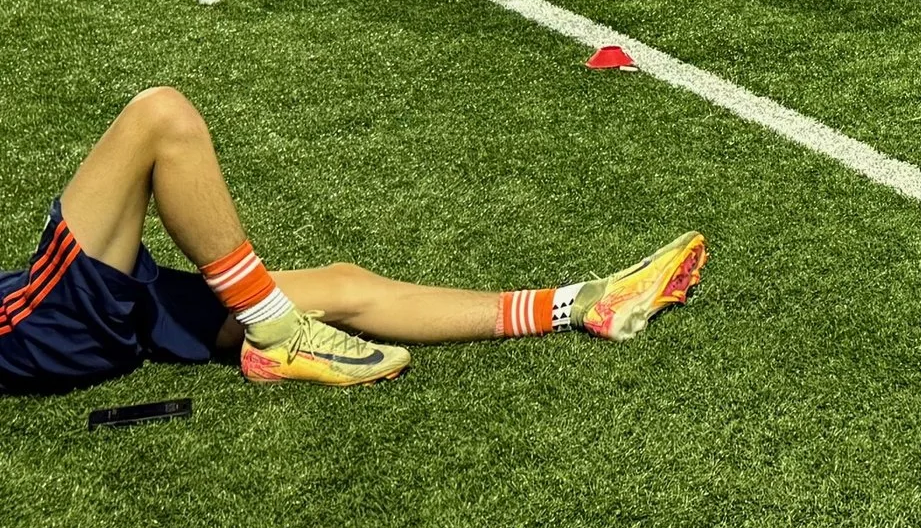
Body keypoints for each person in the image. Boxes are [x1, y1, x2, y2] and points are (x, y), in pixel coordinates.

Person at [0, 86, 703, 393]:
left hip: (93, 317)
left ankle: (581, 303)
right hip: (37, 321)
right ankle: (277, 337)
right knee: (160, 116)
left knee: (338, 280)